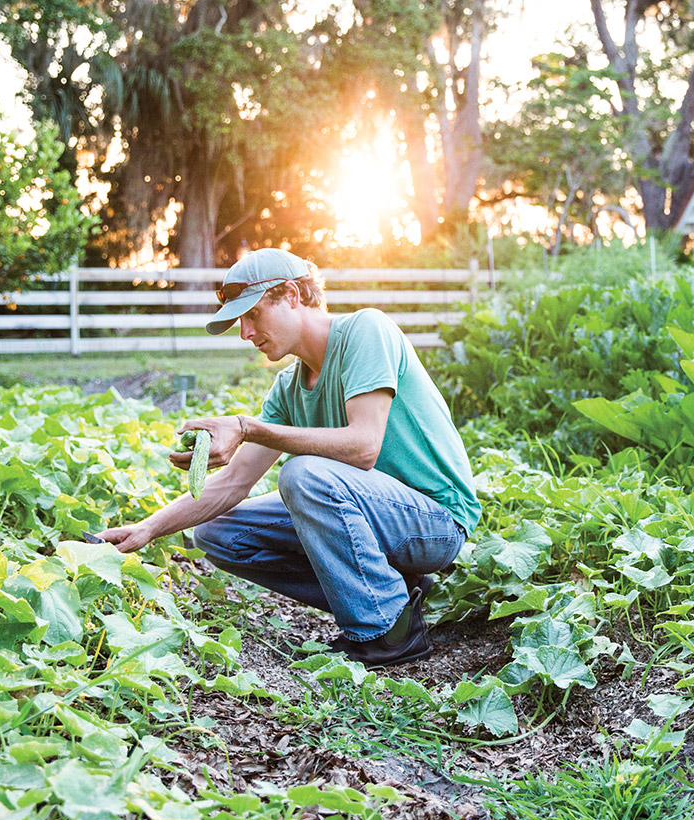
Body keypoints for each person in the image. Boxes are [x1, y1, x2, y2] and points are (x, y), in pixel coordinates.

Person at [101, 248, 480, 668]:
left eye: (254, 315)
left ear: (292, 294)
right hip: (375, 517)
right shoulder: (288, 387)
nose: (245, 332)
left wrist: (247, 427)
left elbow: (363, 446)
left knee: (303, 475)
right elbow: (232, 484)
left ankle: (390, 631)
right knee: (217, 532)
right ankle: (389, 588)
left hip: (435, 522)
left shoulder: (366, 331)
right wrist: (147, 528)